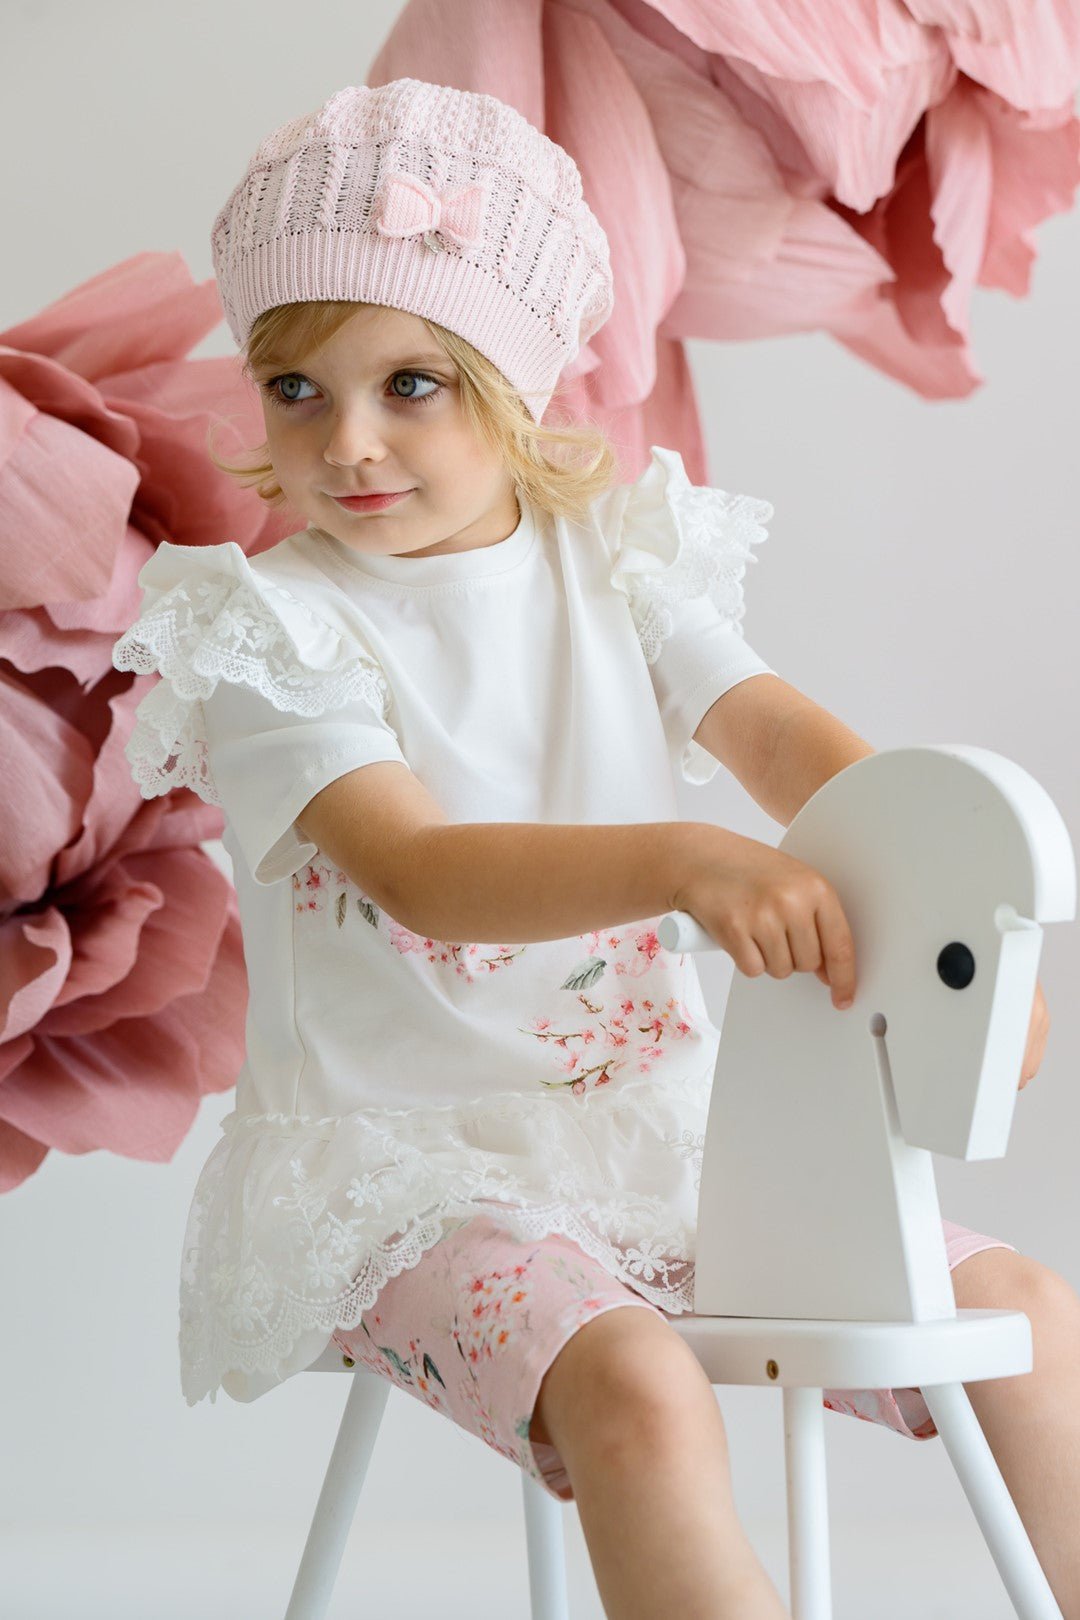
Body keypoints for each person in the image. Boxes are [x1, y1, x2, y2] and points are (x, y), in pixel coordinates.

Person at [111, 79, 1079, 1620]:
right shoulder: (274, 631)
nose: (347, 442)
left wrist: (953, 918)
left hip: (665, 1148)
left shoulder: (618, 566)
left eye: (412, 384)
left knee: (1026, 1317)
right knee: (637, 1385)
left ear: (517, 382)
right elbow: (419, 868)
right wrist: (684, 863)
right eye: (295, 389)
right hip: (403, 1171)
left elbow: (785, 743)